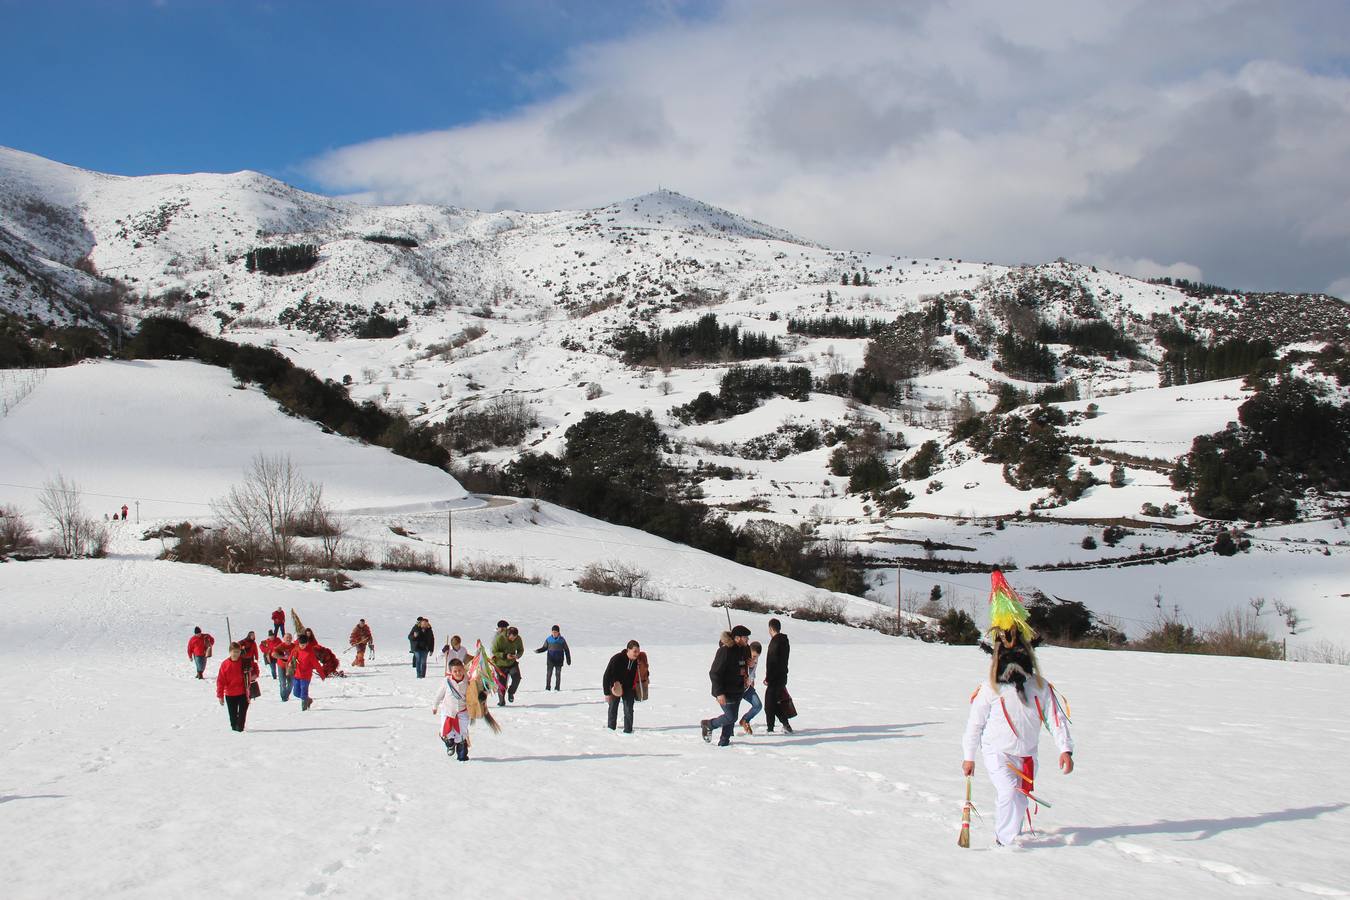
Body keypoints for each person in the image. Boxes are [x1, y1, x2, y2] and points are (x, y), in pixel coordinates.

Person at [961, 571, 1074, 847]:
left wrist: (1065, 749)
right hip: (997, 751)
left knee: (1020, 797)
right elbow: (975, 723)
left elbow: (1056, 718)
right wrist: (969, 755)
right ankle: (1005, 840)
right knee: (1009, 792)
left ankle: (1012, 833)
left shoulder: (1040, 686)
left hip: (1027, 755)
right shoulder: (990, 688)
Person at [701, 625, 751, 746]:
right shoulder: (725, 651)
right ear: (737, 638)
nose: (747, 640)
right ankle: (709, 724)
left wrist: (748, 669)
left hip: (738, 689)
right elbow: (714, 673)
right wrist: (719, 693)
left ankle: (724, 742)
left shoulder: (744, 649)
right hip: (725, 691)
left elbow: (744, 664)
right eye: (745, 638)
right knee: (731, 717)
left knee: (731, 718)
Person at [433, 657, 474, 761]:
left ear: (463, 669)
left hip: (462, 712)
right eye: (455, 671)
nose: (458, 673)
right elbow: (439, 694)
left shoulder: (468, 681)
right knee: (447, 733)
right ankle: (450, 744)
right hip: (448, 711)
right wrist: (435, 706)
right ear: (451, 672)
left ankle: (462, 756)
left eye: (460, 670)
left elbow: (474, 694)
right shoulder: (447, 681)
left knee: (461, 735)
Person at [602, 640, 642, 733]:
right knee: (613, 708)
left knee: (628, 709)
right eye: (635, 651)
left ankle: (628, 730)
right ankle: (611, 729)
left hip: (629, 688)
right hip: (615, 686)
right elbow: (606, 675)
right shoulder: (617, 658)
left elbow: (644, 672)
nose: (637, 654)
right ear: (628, 650)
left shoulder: (638, 661)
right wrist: (607, 693)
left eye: (638, 651)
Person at [763, 618, 793, 734]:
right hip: (782, 677)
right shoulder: (785, 641)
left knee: (769, 705)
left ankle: (770, 729)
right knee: (774, 703)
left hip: (774, 678)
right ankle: (785, 724)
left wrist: (768, 678)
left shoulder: (775, 642)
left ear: (771, 628)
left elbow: (772, 662)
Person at [216, 642, 252, 732]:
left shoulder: (244, 662)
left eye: (238, 652)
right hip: (230, 694)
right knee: (233, 718)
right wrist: (220, 695)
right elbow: (220, 681)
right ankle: (234, 735)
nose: (236, 654)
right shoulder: (225, 664)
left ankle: (240, 731)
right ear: (230, 652)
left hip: (243, 693)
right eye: (234, 652)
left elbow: (255, 669)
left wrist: (253, 675)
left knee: (242, 716)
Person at [290, 633, 326, 711]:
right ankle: (308, 700)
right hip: (297, 674)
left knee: (303, 690)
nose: (302, 646)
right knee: (296, 693)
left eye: (303, 645)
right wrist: (289, 664)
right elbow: (291, 658)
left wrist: (322, 674)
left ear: (307, 644)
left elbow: (316, 665)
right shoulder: (295, 650)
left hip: (306, 676)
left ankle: (304, 709)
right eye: (300, 644)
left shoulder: (310, 653)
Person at [491, 625, 524, 705]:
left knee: (517, 677)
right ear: (508, 634)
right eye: (512, 637)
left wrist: (518, 655)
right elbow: (494, 651)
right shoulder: (499, 638)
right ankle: (501, 701)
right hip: (500, 664)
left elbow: (521, 650)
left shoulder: (518, 639)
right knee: (502, 683)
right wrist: (505, 655)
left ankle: (511, 692)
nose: (513, 639)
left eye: (515, 638)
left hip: (512, 663)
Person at [534, 624, 572, 690]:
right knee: (549, 674)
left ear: (558, 632)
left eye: (555, 632)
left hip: (559, 660)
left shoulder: (562, 640)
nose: (554, 633)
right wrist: (538, 650)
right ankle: (547, 687)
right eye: (553, 632)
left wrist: (568, 660)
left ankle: (557, 688)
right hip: (550, 660)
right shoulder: (548, 639)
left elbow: (566, 650)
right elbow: (544, 648)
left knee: (558, 674)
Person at [739, 640, 764, 734]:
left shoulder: (754, 661)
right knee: (732, 713)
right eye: (753, 656)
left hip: (747, 688)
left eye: (757, 657)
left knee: (758, 705)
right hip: (737, 688)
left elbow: (752, 672)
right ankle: (728, 733)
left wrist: (752, 680)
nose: (755, 659)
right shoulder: (742, 657)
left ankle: (745, 720)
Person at [273, 632, 296, 702]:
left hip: (290, 667)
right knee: (282, 682)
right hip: (281, 666)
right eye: (287, 638)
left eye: (289, 638)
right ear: (284, 639)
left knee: (291, 683)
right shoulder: (280, 646)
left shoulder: (294, 646)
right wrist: (282, 657)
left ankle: (286, 695)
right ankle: (284, 698)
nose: (288, 639)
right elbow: (273, 654)